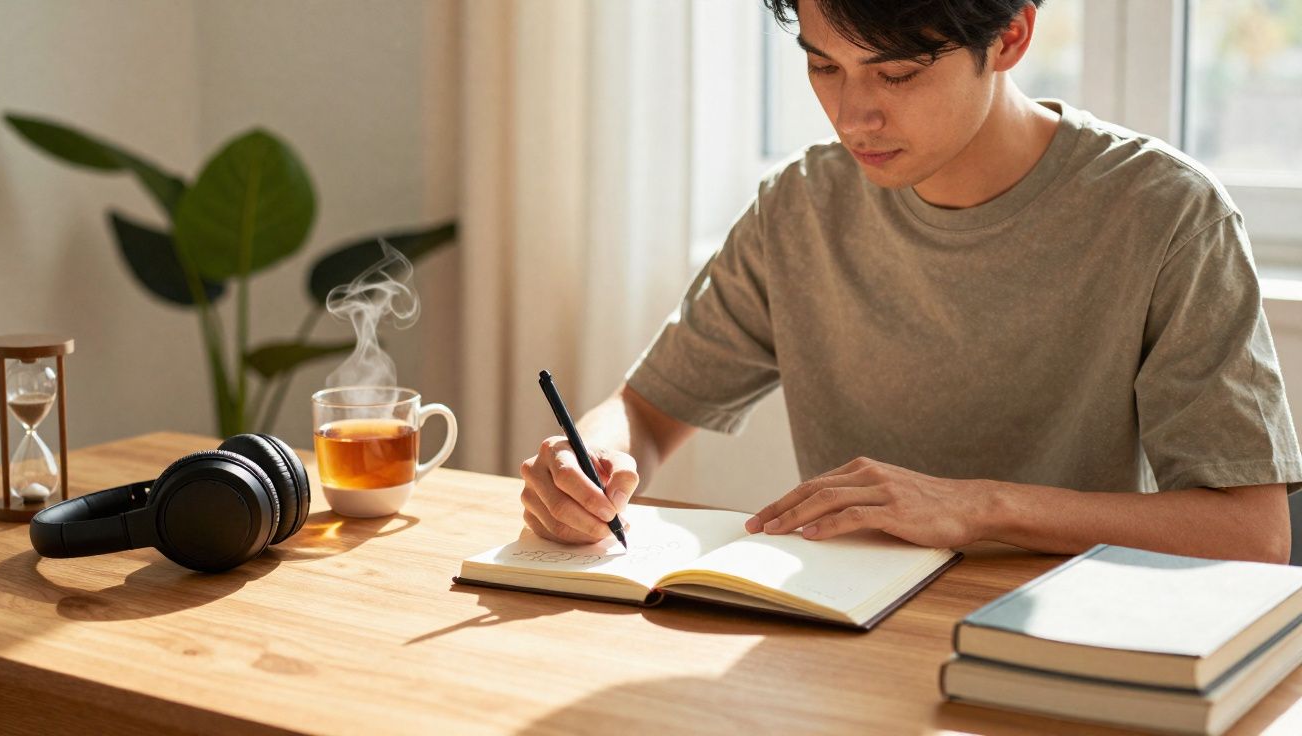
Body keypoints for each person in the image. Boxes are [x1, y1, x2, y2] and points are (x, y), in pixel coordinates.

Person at [519, 0, 1302, 564]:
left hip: (1060, 656)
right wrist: (589, 465)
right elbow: (646, 413)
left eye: (895, 74)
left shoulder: (1164, 212)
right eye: (824, 66)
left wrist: (976, 507)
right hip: (838, 641)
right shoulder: (802, 204)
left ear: (1011, 35)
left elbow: (1251, 534)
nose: (853, 115)